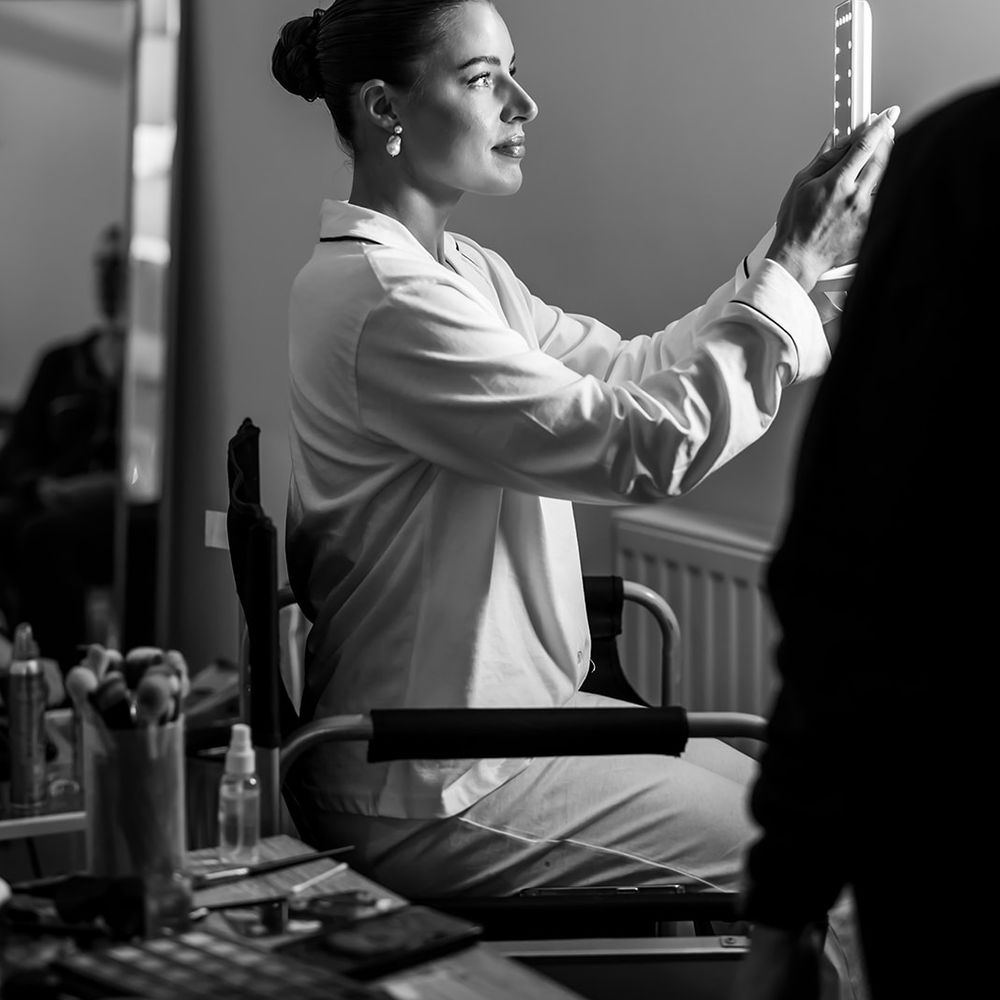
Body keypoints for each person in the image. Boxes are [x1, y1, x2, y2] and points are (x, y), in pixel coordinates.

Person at [275, 3, 894, 993]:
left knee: (850, 823)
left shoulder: (458, 271)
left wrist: (795, 259)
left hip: (523, 725)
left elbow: (633, 369)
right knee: (832, 877)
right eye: (482, 79)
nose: (523, 102)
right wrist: (787, 278)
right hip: (437, 776)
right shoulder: (381, 299)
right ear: (384, 106)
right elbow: (634, 447)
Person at [733, 81, 998, 999]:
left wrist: (782, 908)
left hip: (957, 837)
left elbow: (853, 568)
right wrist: (790, 274)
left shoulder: (966, 164)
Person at [0, 224, 125, 671]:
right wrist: (41, 486)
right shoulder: (60, 363)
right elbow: (17, 452)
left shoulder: (154, 372)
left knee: (44, 539)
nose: (110, 281)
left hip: (114, 513)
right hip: (45, 500)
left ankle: (58, 677)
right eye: (103, 268)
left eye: (121, 268)